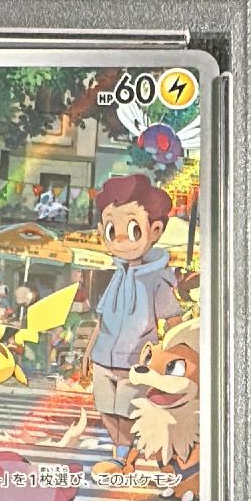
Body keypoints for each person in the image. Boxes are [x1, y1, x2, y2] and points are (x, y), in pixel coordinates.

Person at [82, 174, 182, 470]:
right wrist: (88, 351)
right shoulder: (117, 274)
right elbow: (102, 318)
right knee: (105, 408)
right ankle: (124, 451)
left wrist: (170, 360)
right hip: (103, 356)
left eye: (133, 229)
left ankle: (122, 455)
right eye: (111, 230)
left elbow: (173, 321)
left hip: (136, 360)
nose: (121, 240)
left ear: (155, 230)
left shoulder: (158, 279)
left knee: (127, 410)